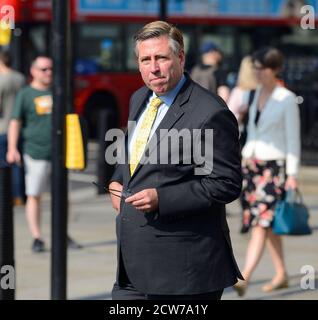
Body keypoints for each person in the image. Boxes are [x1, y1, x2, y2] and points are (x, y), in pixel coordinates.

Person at [108, 21, 243, 300]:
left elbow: (224, 184)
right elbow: (133, 154)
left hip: (183, 273)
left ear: (180, 57)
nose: (153, 68)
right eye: (145, 60)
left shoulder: (209, 111)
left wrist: (162, 198)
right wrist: (117, 180)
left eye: (161, 58)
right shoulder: (140, 98)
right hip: (131, 267)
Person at [233, 47, 301, 297]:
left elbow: (293, 140)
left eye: (262, 68)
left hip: (273, 169)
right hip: (252, 166)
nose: (258, 73)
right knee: (268, 225)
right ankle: (282, 273)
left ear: (274, 69)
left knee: (261, 224)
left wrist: (292, 175)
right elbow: (251, 130)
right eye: (256, 68)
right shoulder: (254, 94)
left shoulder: (287, 98)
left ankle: (244, 276)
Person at [6, 55, 82, 252]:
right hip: (35, 152)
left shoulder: (59, 92)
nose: (48, 73)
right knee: (34, 195)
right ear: (33, 71)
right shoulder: (26, 94)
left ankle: (62, 233)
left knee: (63, 196)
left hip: (60, 154)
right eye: (43, 69)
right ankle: (37, 237)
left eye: (50, 69)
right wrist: (12, 148)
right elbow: (15, 121)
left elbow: (70, 121)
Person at [227, 55, 258, 233]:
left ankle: (248, 213)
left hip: (243, 140)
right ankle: (250, 213)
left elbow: (229, 116)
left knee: (245, 178)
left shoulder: (239, 92)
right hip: (249, 139)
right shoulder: (254, 91)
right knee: (250, 178)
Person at [0, 49, 25, 204]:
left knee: (4, 165)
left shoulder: (2, 80)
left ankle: (5, 197)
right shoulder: (20, 78)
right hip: (19, 127)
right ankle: (18, 195)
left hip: (3, 128)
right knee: (17, 163)